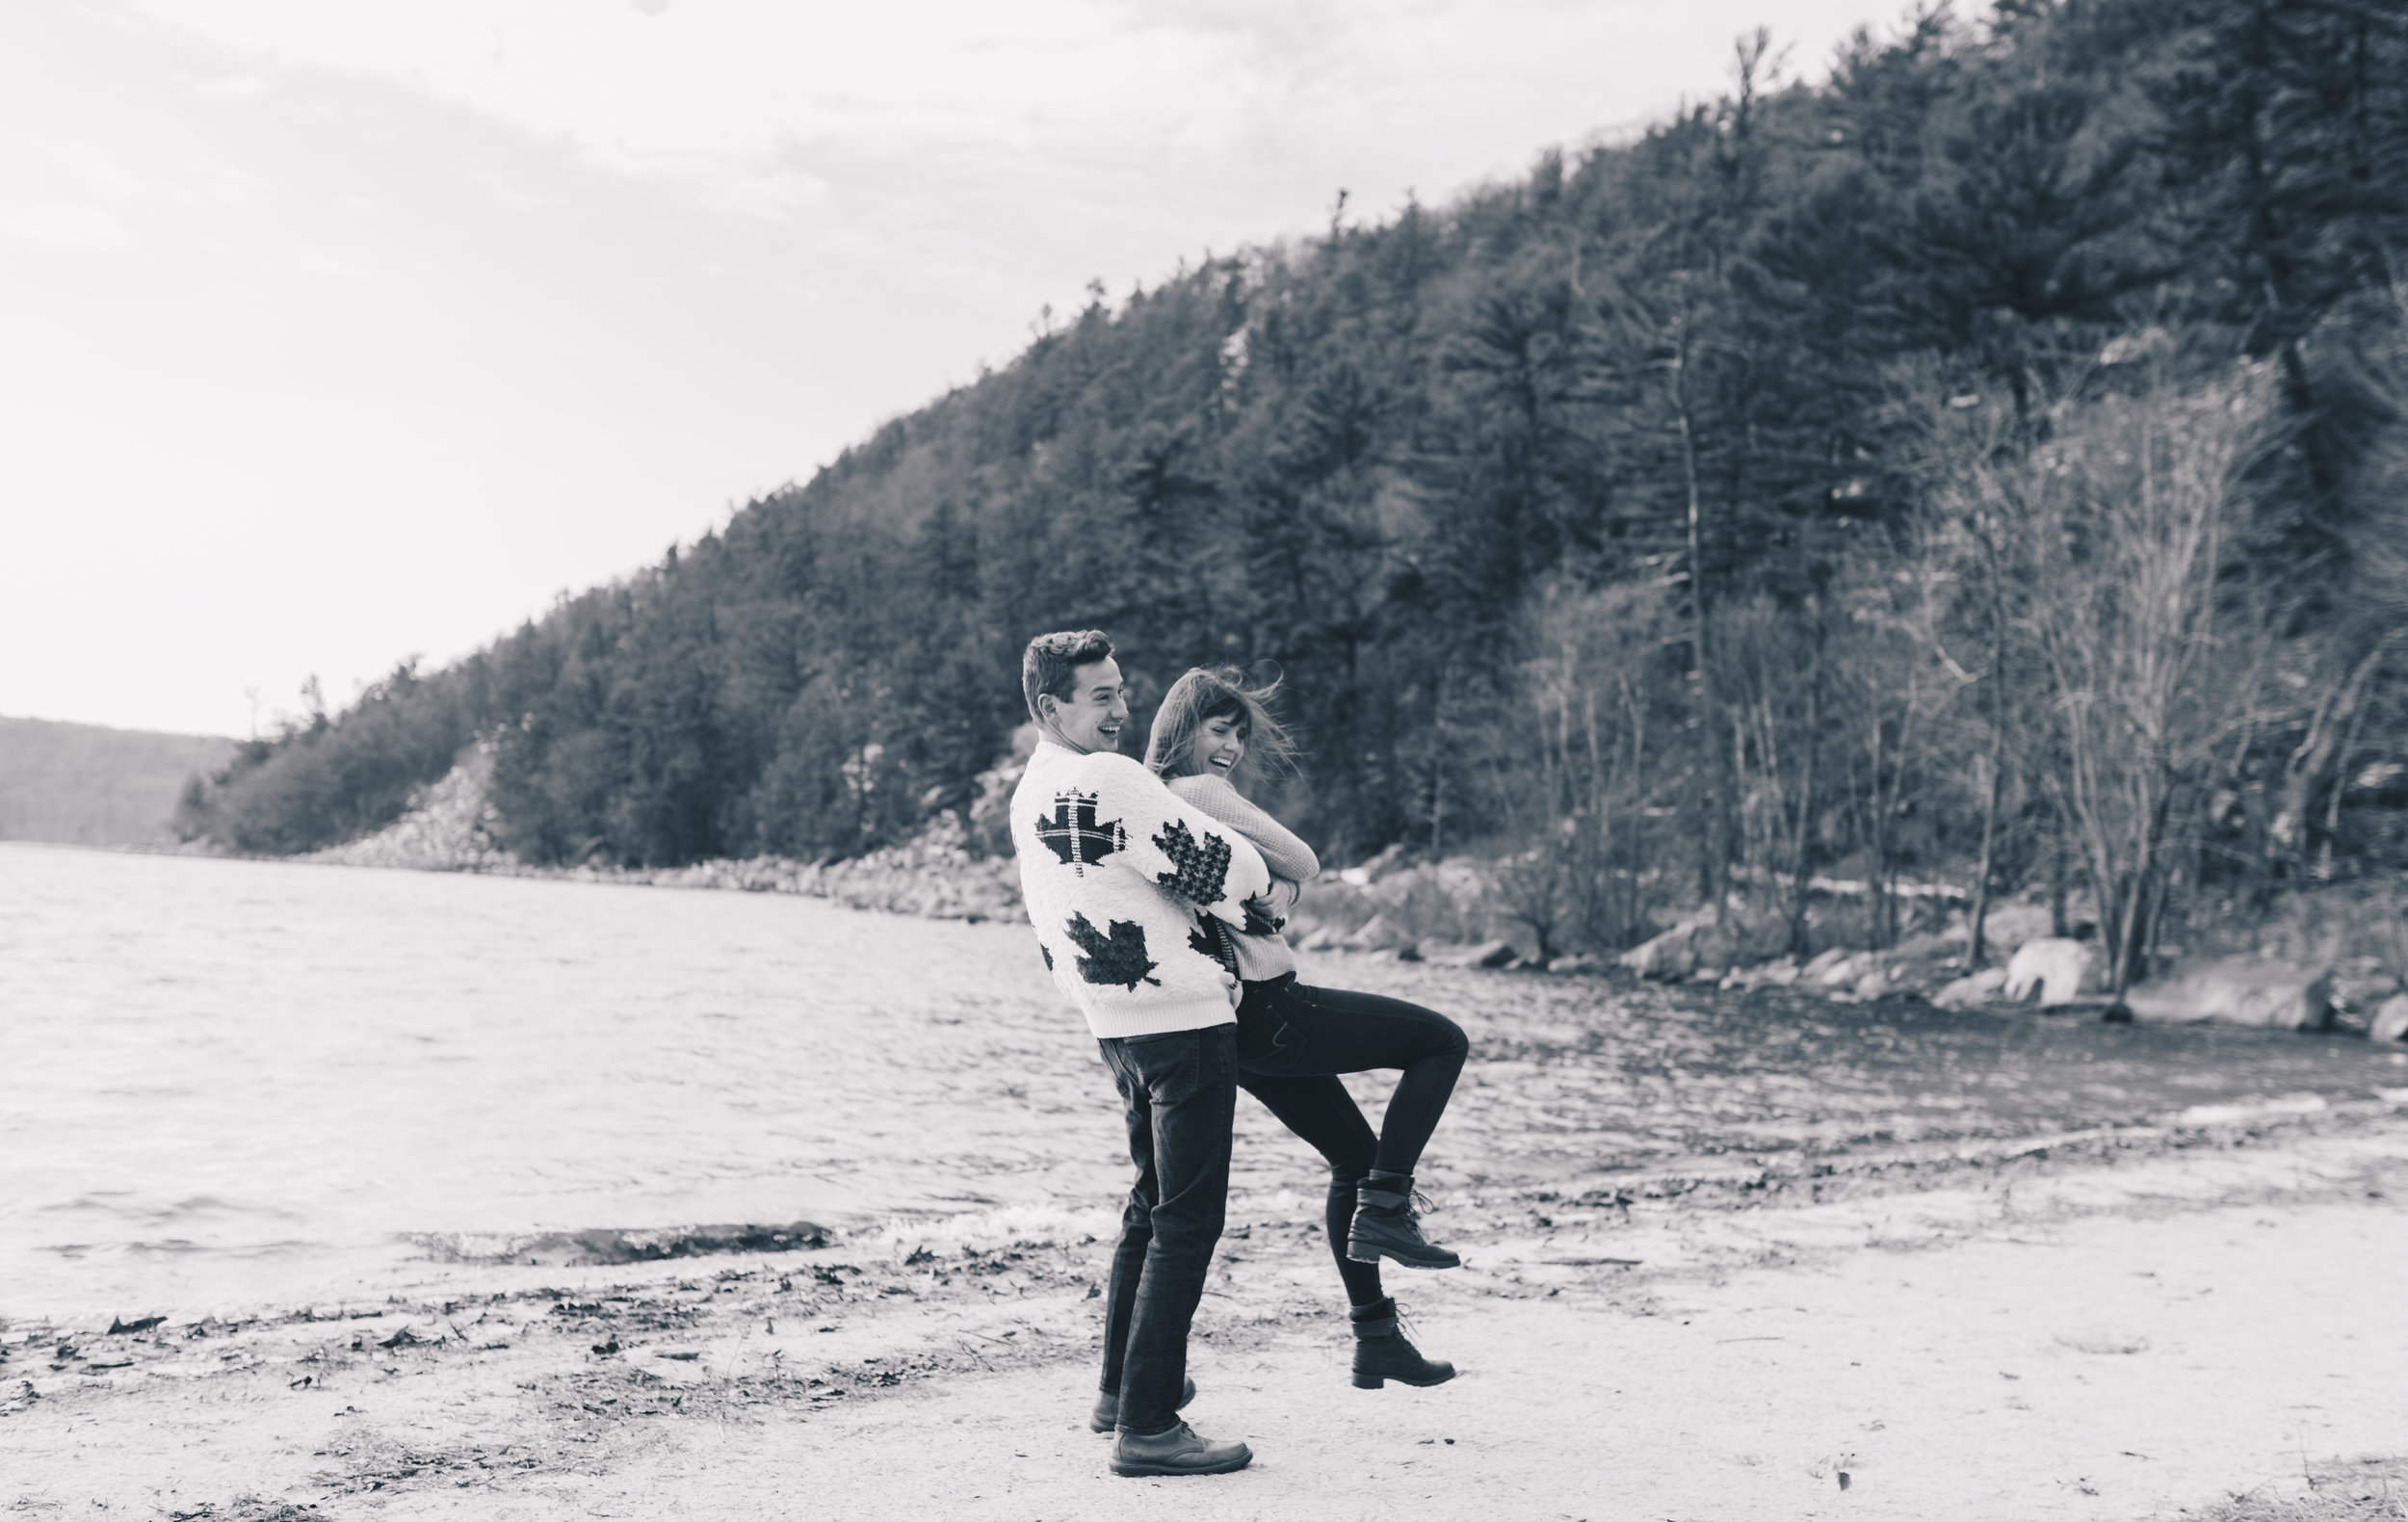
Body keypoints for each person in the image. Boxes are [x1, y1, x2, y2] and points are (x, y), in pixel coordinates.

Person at [1146, 665, 1467, 1392]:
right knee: (1443, 1041)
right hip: (1274, 1007)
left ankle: (1376, 1338)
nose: (1228, 746)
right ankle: (1389, 1206)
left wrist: (1270, 892)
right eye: (1216, 729)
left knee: (1352, 1158)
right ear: (1181, 728)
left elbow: (1253, 894)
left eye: (1237, 735)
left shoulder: (1154, 804)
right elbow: (1306, 863)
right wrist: (1281, 885)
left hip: (1236, 1029)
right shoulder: (1199, 792)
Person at [1009, 630, 1274, 1479]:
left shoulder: (1033, 789)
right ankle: (1151, 1427)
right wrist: (1262, 886)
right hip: (1184, 1021)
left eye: (1123, 691)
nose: (1123, 710)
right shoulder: (1111, 780)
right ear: (1051, 707)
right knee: (1187, 1219)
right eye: (1101, 698)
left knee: (1149, 1204)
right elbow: (1227, 868)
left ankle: (1121, 1390)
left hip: (1113, 1027)